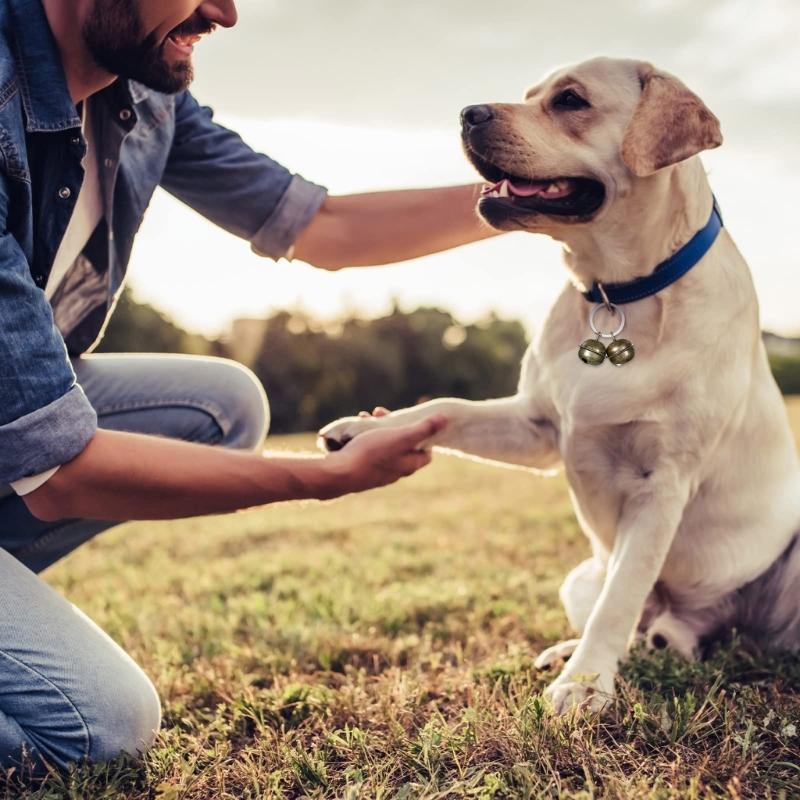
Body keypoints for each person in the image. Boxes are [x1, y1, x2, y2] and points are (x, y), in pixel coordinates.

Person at [0, 0, 498, 774]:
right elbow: (61, 470)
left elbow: (322, 227)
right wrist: (321, 478)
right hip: (40, 455)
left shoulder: (143, 92)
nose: (225, 13)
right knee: (100, 728)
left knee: (222, 406)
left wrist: (527, 198)